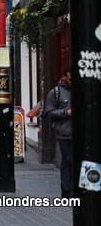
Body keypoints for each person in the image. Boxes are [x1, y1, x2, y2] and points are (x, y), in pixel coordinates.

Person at [44, 70, 73, 198]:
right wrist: (65, 112)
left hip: (81, 133)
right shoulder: (55, 92)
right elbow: (48, 112)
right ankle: (67, 190)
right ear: (64, 77)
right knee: (68, 160)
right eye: (70, 78)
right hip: (64, 132)